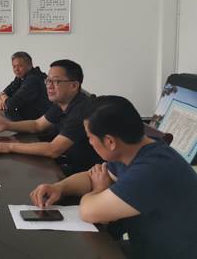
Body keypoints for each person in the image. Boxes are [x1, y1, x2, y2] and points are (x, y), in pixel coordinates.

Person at [29, 96, 197, 259]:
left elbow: (89, 212)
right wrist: (60, 187)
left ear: (110, 142)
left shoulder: (151, 170)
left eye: (90, 138)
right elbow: (92, 176)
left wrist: (99, 190)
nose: (90, 143)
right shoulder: (136, 149)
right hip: (147, 247)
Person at [0, 59, 102, 173]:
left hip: (85, 172)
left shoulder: (82, 110)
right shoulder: (63, 102)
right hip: (68, 161)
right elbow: (37, 125)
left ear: (74, 86)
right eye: (48, 80)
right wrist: (7, 125)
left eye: (56, 81)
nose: (49, 85)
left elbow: (53, 149)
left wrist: (9, 147)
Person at [0, 51, 51, 120]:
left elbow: (11, 104)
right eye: (14, 66)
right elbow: (9, 90)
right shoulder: (22, 76)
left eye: (20, 66)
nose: (16, 69)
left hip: (38, 121)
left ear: (30, 65)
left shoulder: (33, 79)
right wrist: (2, 95)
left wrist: (2, 96)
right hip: (29, 117)